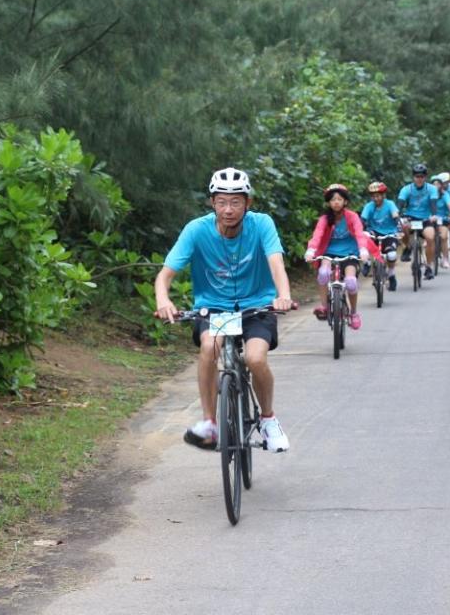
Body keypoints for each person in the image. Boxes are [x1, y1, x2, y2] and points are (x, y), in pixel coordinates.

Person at [154, 167, 293, 453]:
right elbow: (165, 274)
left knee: (255, 358)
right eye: (221, 202)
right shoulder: (196, 230)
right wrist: (163, 300)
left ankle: (268, 419)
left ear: (248, 203)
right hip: (214, 309)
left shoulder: (262, 224)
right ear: (212, 202)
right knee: (208, 348)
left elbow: (276, 263)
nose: (228, 209)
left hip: (257, 305)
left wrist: (284, 296)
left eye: (235, 202)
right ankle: (209, 423)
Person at [303, 183, 376, 330]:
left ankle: (353, 313)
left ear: (345, 201)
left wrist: (362, 249)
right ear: (329, 202)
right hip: (329, 253)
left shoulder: (352, 216)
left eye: (339, 199)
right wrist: (311, 250)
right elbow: (317, 236)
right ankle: (324, 306)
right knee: (323, 274)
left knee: (351, 282)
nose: (336, 202)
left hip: (350, 254)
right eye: (333, 199)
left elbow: (360, 234)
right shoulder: (325, 219)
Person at [397, 163, 439, 280]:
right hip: (411, 217)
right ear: (413, 177)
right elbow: (400, 204)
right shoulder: (407, 189)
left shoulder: (431, 189)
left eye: (421, 177)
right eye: (417, 176)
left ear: (425, 177)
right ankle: (407, 247)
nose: (419, 179)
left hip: (426, 218)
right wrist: (397, 215)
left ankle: (429, 267)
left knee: (430, 237)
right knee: (403, 226)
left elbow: (433, 204)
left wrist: (434, 215)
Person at [359, 181, 401, 291]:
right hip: (374, 232)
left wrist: (399, 227)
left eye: (378, 196)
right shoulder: (369, 206)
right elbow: (363, 219)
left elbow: (395, 216)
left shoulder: (390, 204)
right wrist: (359, 228)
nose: (375, 199)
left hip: (389, 233)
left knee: (391, 255)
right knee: (364, 238)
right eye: (373, 196)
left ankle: (391, 275)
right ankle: (367, 263)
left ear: (383, 195)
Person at [430, 174, 450, 269]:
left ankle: (445, 259)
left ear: (441, 186)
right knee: (428, 238)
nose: (436, 186)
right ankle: (428, 260)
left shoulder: (445, 195)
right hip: (430, 218)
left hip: (443, 218)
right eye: (434, 184)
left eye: (438, 184)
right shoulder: (428, 195)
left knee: (444, 236)